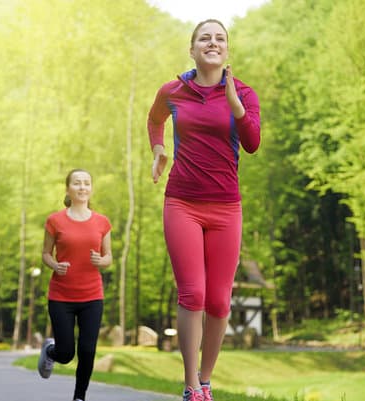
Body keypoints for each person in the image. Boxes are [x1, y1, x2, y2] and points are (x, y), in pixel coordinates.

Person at [147, 19, 261, 401]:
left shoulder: (244, 92)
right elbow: (154, 118)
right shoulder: (174, 90)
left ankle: (206, 379)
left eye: (219, 38)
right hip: (182, 202)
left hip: (227, 207)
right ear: (192, 49)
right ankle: (191, 385)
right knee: (192, 294)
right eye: (204, 38)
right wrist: (159, 150)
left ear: (227, 50)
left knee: (219, 301)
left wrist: (236, 107)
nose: (212, 43)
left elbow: (252, 145)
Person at [38, 168, 113, 401]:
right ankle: (51, 351)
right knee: (66, 352)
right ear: (68, 188)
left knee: (88, 351)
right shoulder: (55, 220)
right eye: (77, 183)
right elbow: (45, 253)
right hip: (61, 295)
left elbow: (109, 256)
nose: (82, 187)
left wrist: (101, 261)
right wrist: (54, 265)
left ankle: (79, 397)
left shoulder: (102, 222)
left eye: (86, 183)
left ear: (91, 189)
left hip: (92, 296)